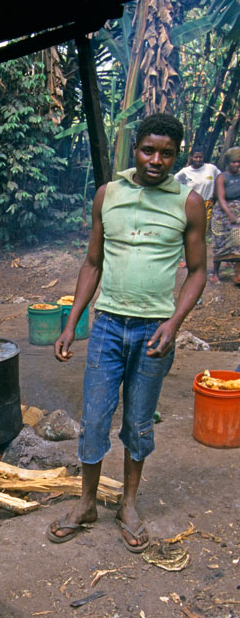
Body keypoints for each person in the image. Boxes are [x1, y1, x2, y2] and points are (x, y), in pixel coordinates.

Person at [47, 114, 207, 552]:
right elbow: (92, 263)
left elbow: (197, 272)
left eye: (167, 154)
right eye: (148, 150)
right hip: (107, 327)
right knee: (95, 417)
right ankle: (86, 503)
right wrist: (72, 322)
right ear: (134, 149)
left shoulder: (188, 203)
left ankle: (129, 504)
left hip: (155, 332)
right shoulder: (108, 196)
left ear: (176, 156)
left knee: (138, 421)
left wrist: (174, 325)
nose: (156, 160)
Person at [209, 147, 240, 284]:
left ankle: (237, 274)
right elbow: (221, 198)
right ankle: (215, 273)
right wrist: (230, 215)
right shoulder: (221, 177)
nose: (237, 165)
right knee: (220, 243)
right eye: (234, 162)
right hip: (222, 214)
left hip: (237, 210)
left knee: (238, 243)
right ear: (229, 162)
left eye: (239, 162)